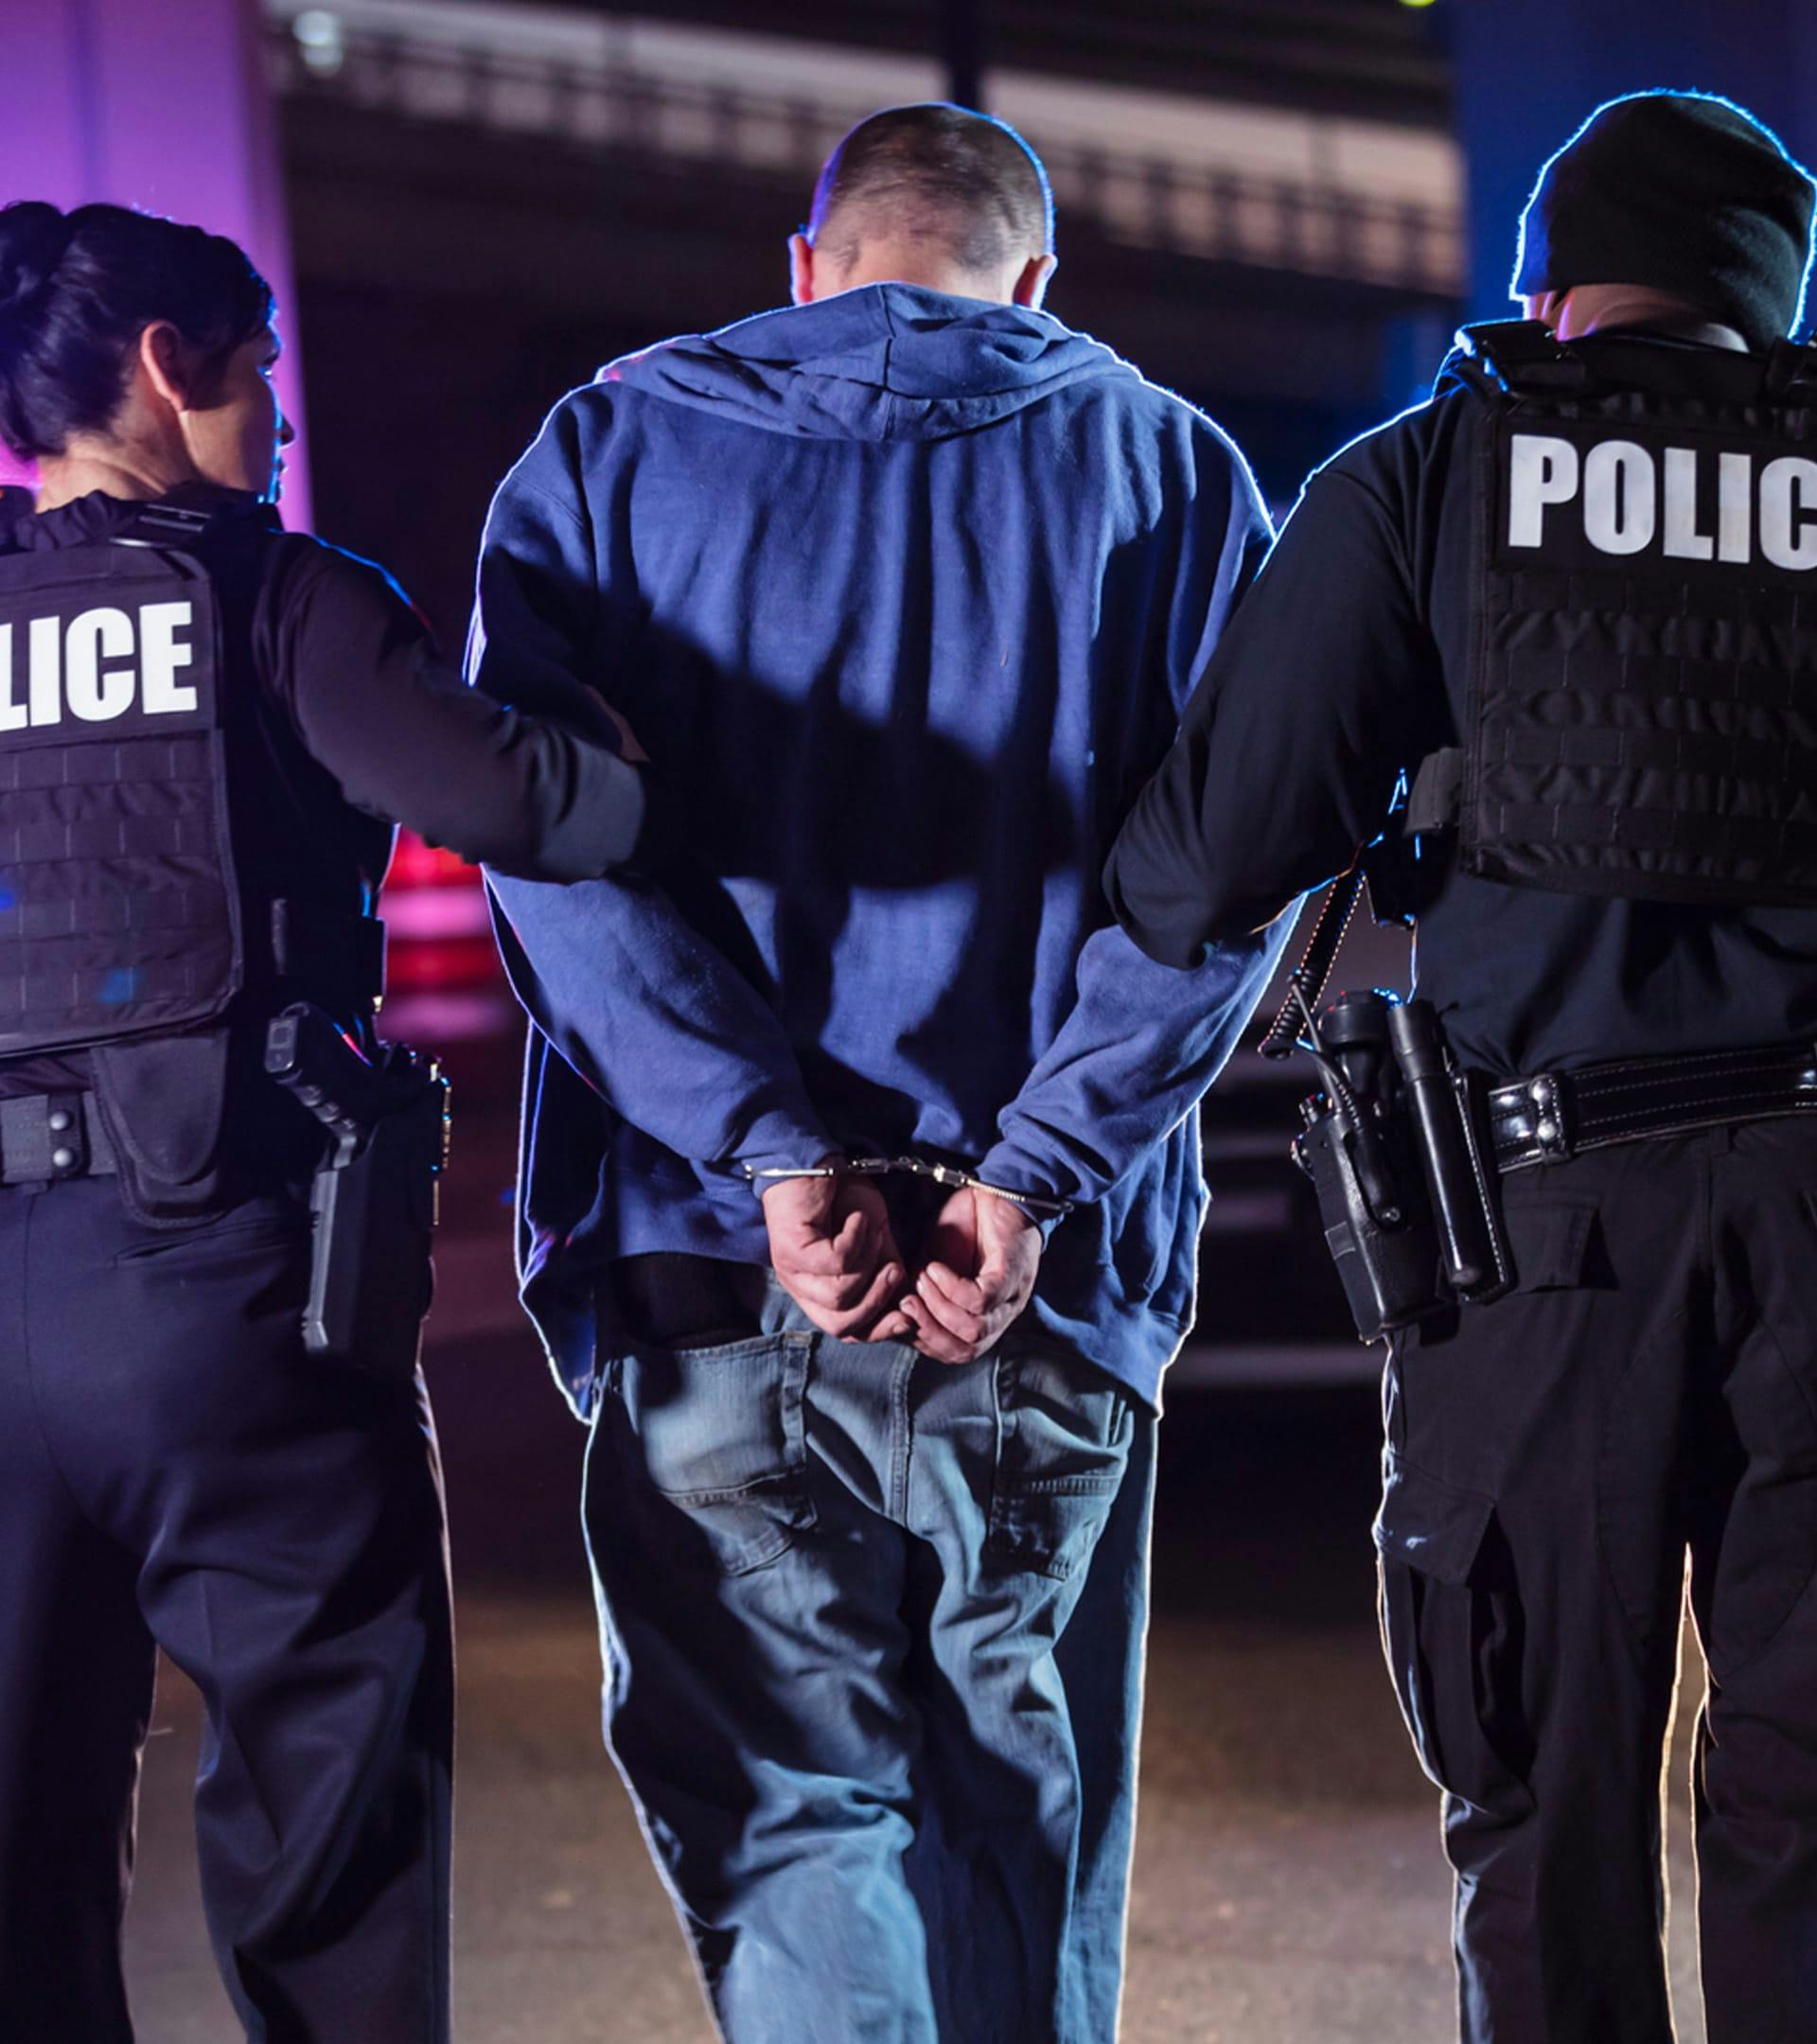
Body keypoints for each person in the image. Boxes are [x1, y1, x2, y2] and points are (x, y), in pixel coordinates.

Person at [472, 102, 1284, 2044]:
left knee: (788, 1835)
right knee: (1020, 1839)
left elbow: (545, 847)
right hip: (1034, 1284)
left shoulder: (604, 456)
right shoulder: (1166, 470)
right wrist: (1029, 1175)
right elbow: (1228, 876)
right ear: (1035, 283)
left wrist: (762, 1149)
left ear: (804, 267)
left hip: (713, 1261)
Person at [1105, 90, 1817, 2044]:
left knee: (1544, 1799)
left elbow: (1217, 851)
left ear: (1548, 276)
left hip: (1543, 1218)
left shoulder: (1430, 476)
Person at [0, 200, 659, 2044]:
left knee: (20, 1853)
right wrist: (633, 742)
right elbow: (532, 806)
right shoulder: (273, 595)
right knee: (330, 1825)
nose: (277, 412)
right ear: (164, 368)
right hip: (229, 1301)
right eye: (260, 366)